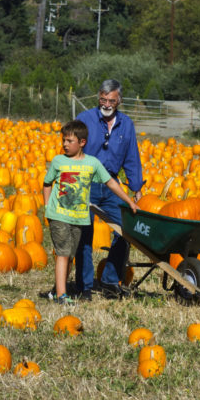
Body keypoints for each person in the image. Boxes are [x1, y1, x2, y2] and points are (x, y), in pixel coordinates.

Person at [41, 120, 138, 304]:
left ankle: (57, 290)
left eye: (69, 141)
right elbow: (47, 183)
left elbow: (110, 183)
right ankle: (62, 296)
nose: (65, 144)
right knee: (62, 253)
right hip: (58, 215)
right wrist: (47, 207)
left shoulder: (92, 163)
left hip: (79, 218)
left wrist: (129, 201)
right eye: (64, 140)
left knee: (70, 256)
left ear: (82, 142)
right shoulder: (58, 161)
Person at [74, 79, 144, 299]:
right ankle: (84, 286)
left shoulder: (127, 124)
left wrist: (136, 186)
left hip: (111, 185)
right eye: (103, 99)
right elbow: (70, 149)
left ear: (119, 100)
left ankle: (110, 280)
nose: (106, 104)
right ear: (98, 97)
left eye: (111, 100)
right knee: (84, 233)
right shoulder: (84, 120)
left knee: (125, 229)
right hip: (86, 182)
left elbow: (132, 157)